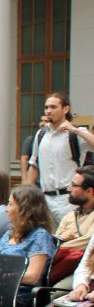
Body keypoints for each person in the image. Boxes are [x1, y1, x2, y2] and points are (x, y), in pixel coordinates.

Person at [25, 92, 94, 222]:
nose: (48, 111)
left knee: (67, 238)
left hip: (68, 199)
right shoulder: (41, 134)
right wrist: (26, 193)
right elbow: (33, 164)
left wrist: (75, 130)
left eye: (53, 107)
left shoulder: (75, 133)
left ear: (65, 109)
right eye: (46, 107)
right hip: (44, 199)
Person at [0, 184, 57, 307]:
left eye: (11, 204)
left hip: (18, 294)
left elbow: (32, 277)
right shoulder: (9, 233)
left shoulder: (40, 236)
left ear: (25, 209)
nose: (6, 209)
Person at [49, 167, 94, 284]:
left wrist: (62, 244)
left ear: (89, 191)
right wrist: (61, 240)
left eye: (74, 185)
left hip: (87, 269)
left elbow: (89, 242)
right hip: (62, 266)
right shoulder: (70, 216)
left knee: (56, 293)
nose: (69, 189)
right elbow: (55, 244)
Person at [20, 115, 48, 181]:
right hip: (35, 178)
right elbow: (24, 158)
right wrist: (25, 179)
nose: (42, 124)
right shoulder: (31, 139)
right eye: (41, 121)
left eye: (46, 121)